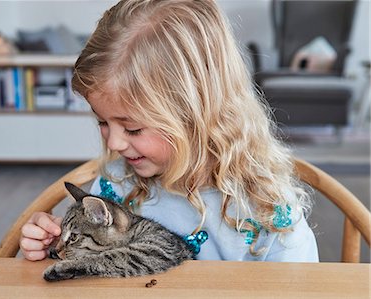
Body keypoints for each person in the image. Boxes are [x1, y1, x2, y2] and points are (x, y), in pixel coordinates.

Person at [20, 0, 319, 262]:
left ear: (196, 114)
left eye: (133, 128)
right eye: (102, 122)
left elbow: (302, 287)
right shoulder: (117, 184)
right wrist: (51, 245)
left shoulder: (267, 210)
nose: (115, 142)